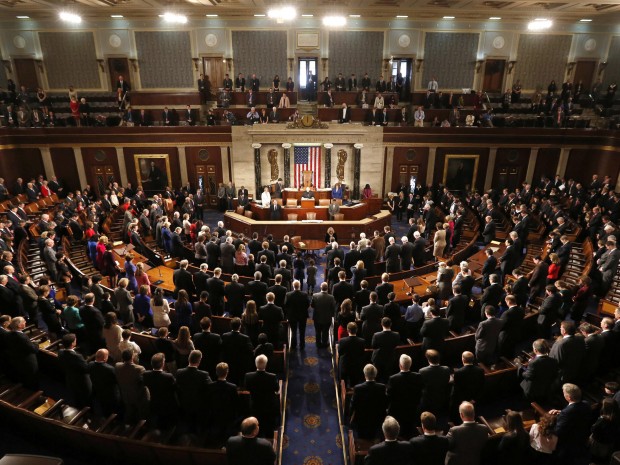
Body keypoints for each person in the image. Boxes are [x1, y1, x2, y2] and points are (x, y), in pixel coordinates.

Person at [548, 383, 593, 465]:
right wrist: (560, 412)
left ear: (568, 397)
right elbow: (577, 414)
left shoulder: (566, 413)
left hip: (568, 445)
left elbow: (558, 431)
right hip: (581, 439)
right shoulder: (586, 404)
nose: (563, 394)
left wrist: (550, 421)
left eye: (564, 393)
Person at [244, 355, 280, 436]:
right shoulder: (272, 377)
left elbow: (247, 388)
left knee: (256, 427)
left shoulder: (248, 376)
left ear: (255, 364)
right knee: (269, 428)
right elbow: (276, 389)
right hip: (269, 406)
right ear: (266, 364)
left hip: (255, 405)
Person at [350, 364, 387, 440]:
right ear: (375, 375)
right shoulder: (382, 387)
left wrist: (350, 415)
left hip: (361, 419)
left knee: (362, 437)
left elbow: (353, 405)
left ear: (364, 374)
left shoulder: (358, 388)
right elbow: (384, 403)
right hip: (377, 419)